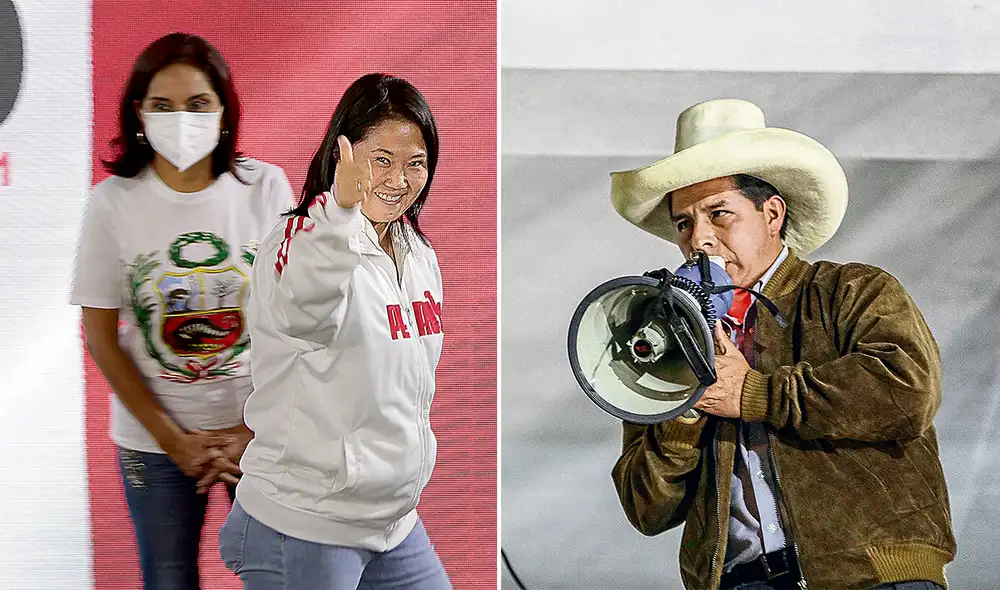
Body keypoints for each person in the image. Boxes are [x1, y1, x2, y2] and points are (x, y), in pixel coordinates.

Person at [608, 99, 955, 590]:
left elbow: (908, 390)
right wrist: (682, 415)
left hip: (873, 577)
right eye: (684, 223)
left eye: (719, 213)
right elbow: (646, 509)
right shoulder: (666, 339)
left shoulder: (851, 290)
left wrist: (750, 394)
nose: (698, 239)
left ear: (771, 214)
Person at [70, 33, 295, 589]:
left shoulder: (265, 188)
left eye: (198, 104)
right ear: (139, 115)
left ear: (224, 112)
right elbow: (100, 334)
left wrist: (253, 429)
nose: (182, 119)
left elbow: (298, 322)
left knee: (284, 577)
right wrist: (172, 438)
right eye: (162, 105)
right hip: (155, 444)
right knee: (167, 580)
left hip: (260, 435)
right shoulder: (111, 202)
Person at [218, 73, 452, 590]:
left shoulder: (417, 252)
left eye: (416, 163)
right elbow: (305, 312)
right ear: (342, 155)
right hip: (305, 524)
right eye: (381, 160)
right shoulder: (301, 238)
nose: (399, 180)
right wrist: (341, 212)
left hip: (392, 525)